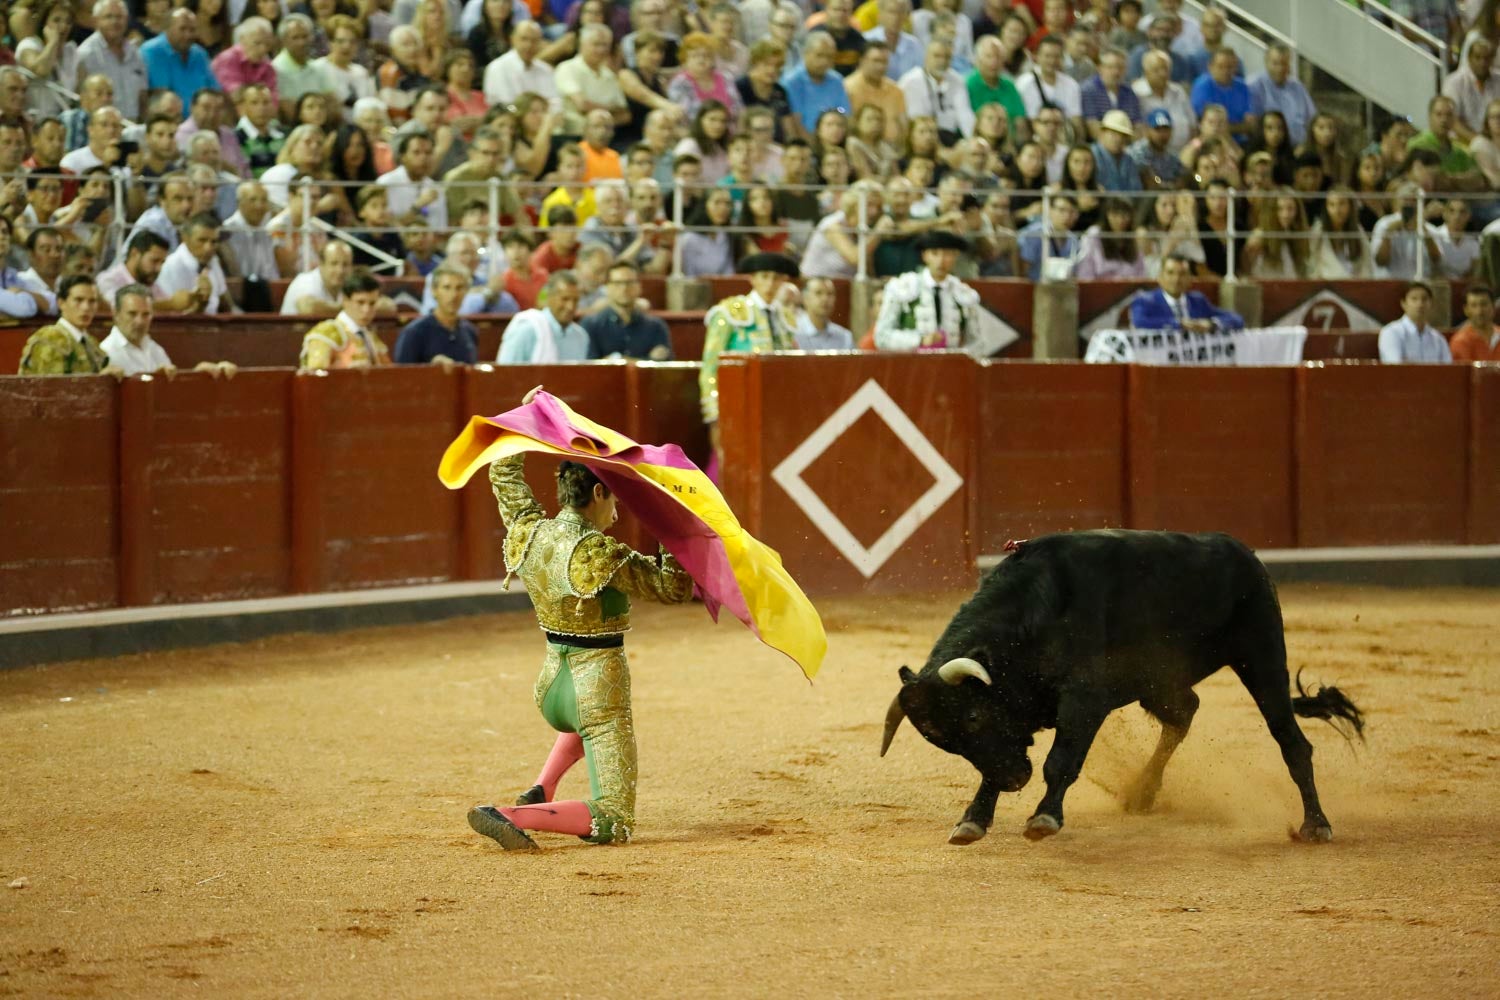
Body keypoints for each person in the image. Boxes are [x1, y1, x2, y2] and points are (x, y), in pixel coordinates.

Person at [467, 395, 695, 850]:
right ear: (597, 493)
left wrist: (527, 414)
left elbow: (502, 471)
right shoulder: (601, 553)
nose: (621, 508)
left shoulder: (529, 529)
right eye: (618, 496)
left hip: (552, 687)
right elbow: (675, 588)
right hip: (597, 691)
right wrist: (668, 522)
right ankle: (512, 814)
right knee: (614, 820)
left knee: (584, 723)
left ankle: (542, 788)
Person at [698, 252, 799, 447]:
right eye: (764, 277)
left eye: (776, 278)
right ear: (752, 279)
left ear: (784, 281)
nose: (770, 284)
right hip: (737, 403)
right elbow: (710, 364)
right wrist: (714, 412)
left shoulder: (785, 318)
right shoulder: (729, 311)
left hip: (775, 406)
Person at [100, 281, 237, 377]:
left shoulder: (154, 349)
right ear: (116, 315)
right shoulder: (107, 352)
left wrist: (199, 374)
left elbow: (172, 392)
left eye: (146, 314)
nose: (140, 321)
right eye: (132, 314)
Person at [873, 230, 980, 350]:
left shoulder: (964, 293)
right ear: (925, 255)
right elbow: (881, 336)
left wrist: (958, 357)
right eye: (935, 253)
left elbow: (977, 342)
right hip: (911, 364)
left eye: (947, 254)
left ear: (955, 256)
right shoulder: (902, 286)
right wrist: (919, 340)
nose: (941, 260)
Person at [18, 275, 116, 376]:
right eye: (78, 300)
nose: (86, 307)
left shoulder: (91, 343)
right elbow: (52, 387)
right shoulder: (51, 337)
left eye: (92, 301)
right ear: (61, 303)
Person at [298, 268, 391, 370]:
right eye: (360, 302)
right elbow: (315, 378)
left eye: (372, 303)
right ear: (345, 300)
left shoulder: (372, 338)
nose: (366, 310)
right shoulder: (326, 334)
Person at [1129, 253, 1244, 331]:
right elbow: (1140, 322)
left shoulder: (1198, 301)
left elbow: (1237, 319)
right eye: (1170, 273)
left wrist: (1211, 324)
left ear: (1190, 278)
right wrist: (1179, 324)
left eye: (1182, 274)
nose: (1176, 279)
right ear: (1160, 277)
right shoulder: (1145, 300)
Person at [582, 261, 672, 359]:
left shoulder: (656, 327)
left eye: (629, 282)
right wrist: (648, 360)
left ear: (639, 286)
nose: (624, 288)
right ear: (607, 287)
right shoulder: (591, 325)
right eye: (617, 283)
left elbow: (666, 367)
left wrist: (615, 360)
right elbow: (591, 368)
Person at [497, 271, 590, 363]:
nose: (570, 306)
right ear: (549, 297)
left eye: (576, 300)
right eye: (564, 299)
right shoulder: (526, 330)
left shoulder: (581, 337)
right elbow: (504, 373)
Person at [394, 264, 479, 365]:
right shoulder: (414, 332)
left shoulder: (469, 331)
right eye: (447, 287)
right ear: (434, 291)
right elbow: (402, 374)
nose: (454, 295)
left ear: (466, 291)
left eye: (459, 288)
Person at [156, 212, 230, 313]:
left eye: (213, 242)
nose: (208, 248)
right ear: (185, 238)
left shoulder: (213, 261)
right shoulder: (169, 267)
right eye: (202, 240)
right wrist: (201, 302)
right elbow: (171, 316)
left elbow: (225, 302)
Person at [1378, 281, 1452, 364]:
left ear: (1431, 304)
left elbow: (1448, 369)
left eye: (1424, 299)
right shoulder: (1391, 332)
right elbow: (1395, 368)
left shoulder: (1438, 339)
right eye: (1414, 299)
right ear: (1403, 303)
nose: (1420, 304)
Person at [282, 241, 353, 316]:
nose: (340, 270)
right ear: (321, 264)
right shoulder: (305, 280)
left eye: (345, 264)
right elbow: (307, 308)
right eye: (334, 263)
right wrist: (348, 308)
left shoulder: (348, 283)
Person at [793, 276, 854, 349]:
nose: (825, 299)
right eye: (818, 293)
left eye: (830, 294)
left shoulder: (845, 337)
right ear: (804, 299)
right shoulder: (792, 333)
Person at [1450, 283, 1500, 361]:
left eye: (1484, 304)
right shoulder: (1460, 341)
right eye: (1474, 305)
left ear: (1493, 307)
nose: (1479, 311)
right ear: (1466, 310)